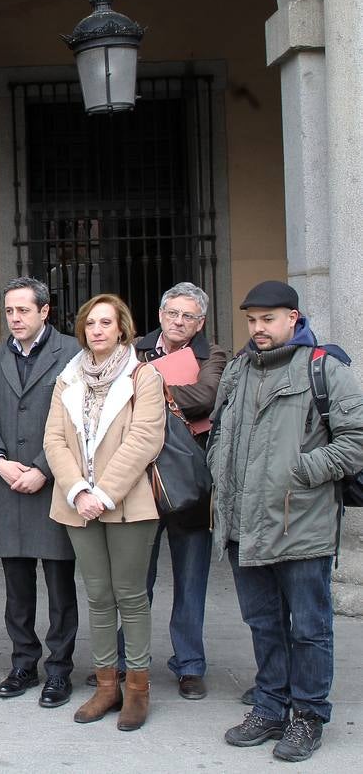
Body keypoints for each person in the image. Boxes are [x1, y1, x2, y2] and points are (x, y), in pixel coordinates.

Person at [211, 281, 363, 763]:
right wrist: (219, 466)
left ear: (292, 319)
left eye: (269, 319)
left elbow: (356, 439)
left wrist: (301, 469)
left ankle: (309, 715)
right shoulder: (237, 370)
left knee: (310, 628)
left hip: (301, 525)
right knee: (263, 624)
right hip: (243, 525)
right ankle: (271, 705)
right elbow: (218, 432)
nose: (258, 328)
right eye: (252, 319)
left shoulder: (325, 368)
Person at [43, 293, 165, 732]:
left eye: (105, 323)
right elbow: (53, 439)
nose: (97, 330)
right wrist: (78, 490)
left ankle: (137, 688)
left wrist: (104, 493)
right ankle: (106, 684)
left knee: (130, 596)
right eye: (90, 323)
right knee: (97, 596)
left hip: (127, 504)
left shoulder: (142, 375)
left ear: (121, 329)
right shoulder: (67, 377)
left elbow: (145, 439)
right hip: (78, 504)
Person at [118, 281, 228, 700]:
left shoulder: (214, 355)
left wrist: (146, 394)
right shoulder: (133, 348)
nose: (179, 321)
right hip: (139, 481)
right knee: (133, 580)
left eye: (188, 316)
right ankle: (128, 661)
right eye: (172, 313)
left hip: (191, 481)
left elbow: (207, 396)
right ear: (160, 314)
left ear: (200, 322)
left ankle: (190, 665)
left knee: (192, 577)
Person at [0, 277, 81, 708]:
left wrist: (43, 468)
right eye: (9, 311)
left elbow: (79, 421)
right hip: (8, 485)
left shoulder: (72, 354)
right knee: (16, 588)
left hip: (54, 484)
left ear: (45, 311)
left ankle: (59, 669)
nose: (15, 318)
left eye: (23, 310)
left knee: (60, 586)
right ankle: (23, 662)